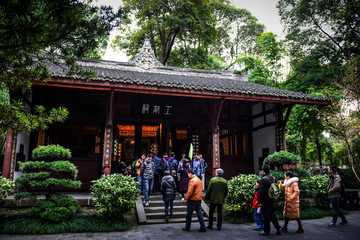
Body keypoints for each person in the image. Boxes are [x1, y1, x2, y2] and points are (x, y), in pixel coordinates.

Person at [257, 164, 282, 236]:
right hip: (272, 198)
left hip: (265, 201)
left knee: (266, 216)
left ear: (263, 171)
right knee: (272, 215)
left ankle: (266, 231)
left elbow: (261, 192)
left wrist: (260, 201)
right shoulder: (274, 178)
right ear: (269, 170)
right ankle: (278, 228)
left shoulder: (263, 180)